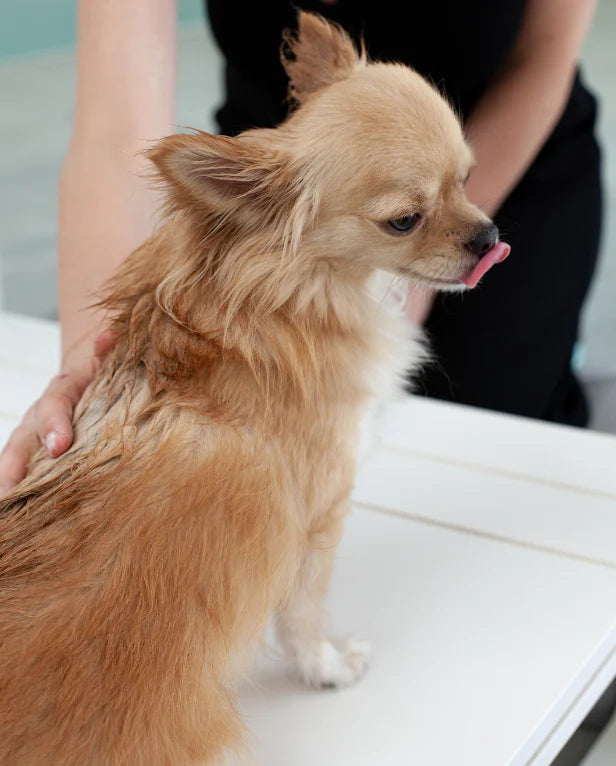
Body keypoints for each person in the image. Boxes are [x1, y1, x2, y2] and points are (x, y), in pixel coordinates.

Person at [0, 0, 600, 496]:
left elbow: (543, 57)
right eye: (403, 218)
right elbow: (117, 135)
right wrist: (92, 361)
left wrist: (415, 252)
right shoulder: (265, 185)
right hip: (270, 189)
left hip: (508, 152)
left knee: (495, 462)